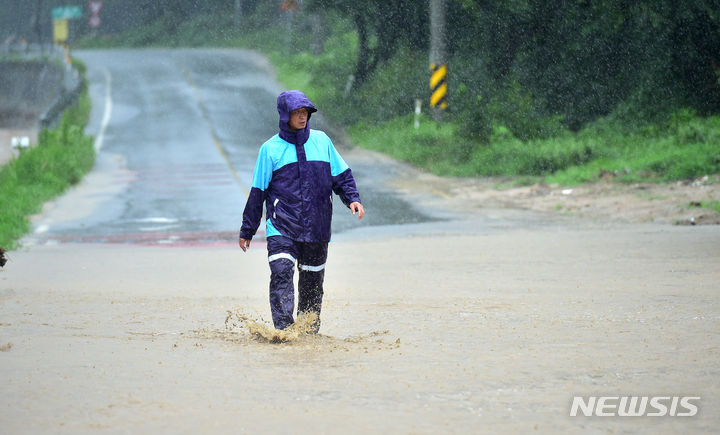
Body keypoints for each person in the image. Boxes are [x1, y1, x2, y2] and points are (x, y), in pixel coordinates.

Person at [238, 90, 365, 332]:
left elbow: (342, 176)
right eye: (297, 112)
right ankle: (285, 333)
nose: (302, 117)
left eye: (305, 112)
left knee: (312, 285)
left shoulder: (322, 141)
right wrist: (248, 229)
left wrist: (352, 199)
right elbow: (258, 193)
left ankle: (307, 333)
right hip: (282, 226)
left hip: (317, 227)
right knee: (281, 272)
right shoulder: (269, 150)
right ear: (285, 115)